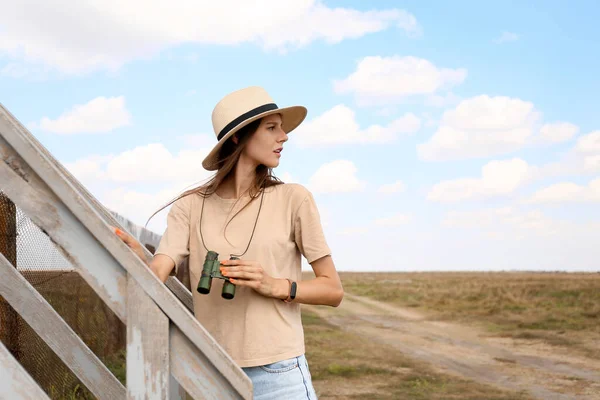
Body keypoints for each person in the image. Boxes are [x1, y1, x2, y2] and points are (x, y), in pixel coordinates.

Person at [114, 86, 344, 399]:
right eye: (272, 127)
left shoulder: (294, 199)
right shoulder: (189, 206)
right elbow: (160, 268)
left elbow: (332, 290)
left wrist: (274, 285)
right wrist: (140, 260)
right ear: (238, 136)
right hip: (213, 372)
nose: (284, 137)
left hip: (278, 374)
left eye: (283, 128)